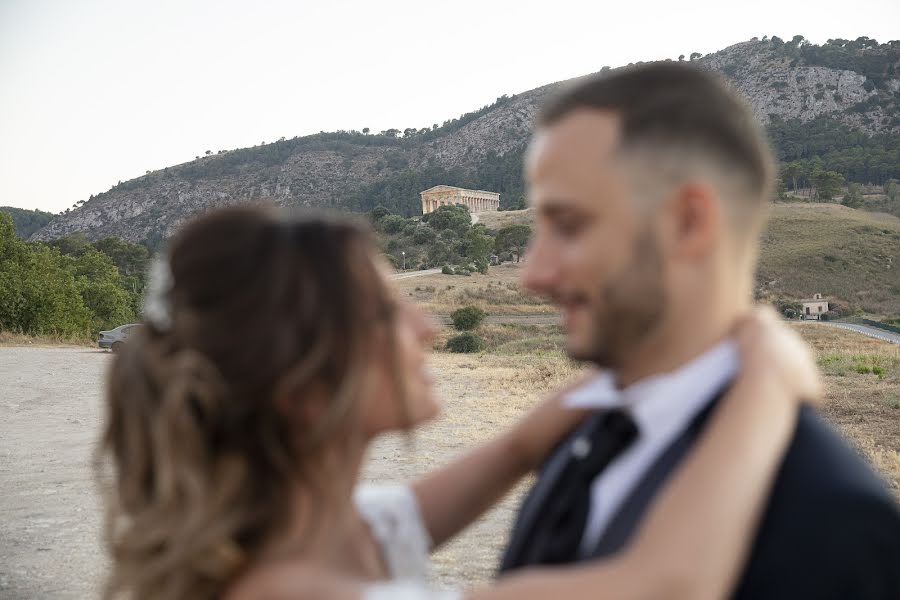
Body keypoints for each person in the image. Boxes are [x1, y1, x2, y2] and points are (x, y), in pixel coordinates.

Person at [98, 205, 816, 600]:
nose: (429, 328)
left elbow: (489, 464)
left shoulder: (303, 536)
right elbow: (667, 585)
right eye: (387, 313)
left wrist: (611, 380)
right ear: (307, 394)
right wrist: (768, 378)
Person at [499, 61, 900, 598]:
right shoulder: (586, 432)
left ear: (688, 223)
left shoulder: (835, 518)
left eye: (569, 225)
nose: (533, 274)